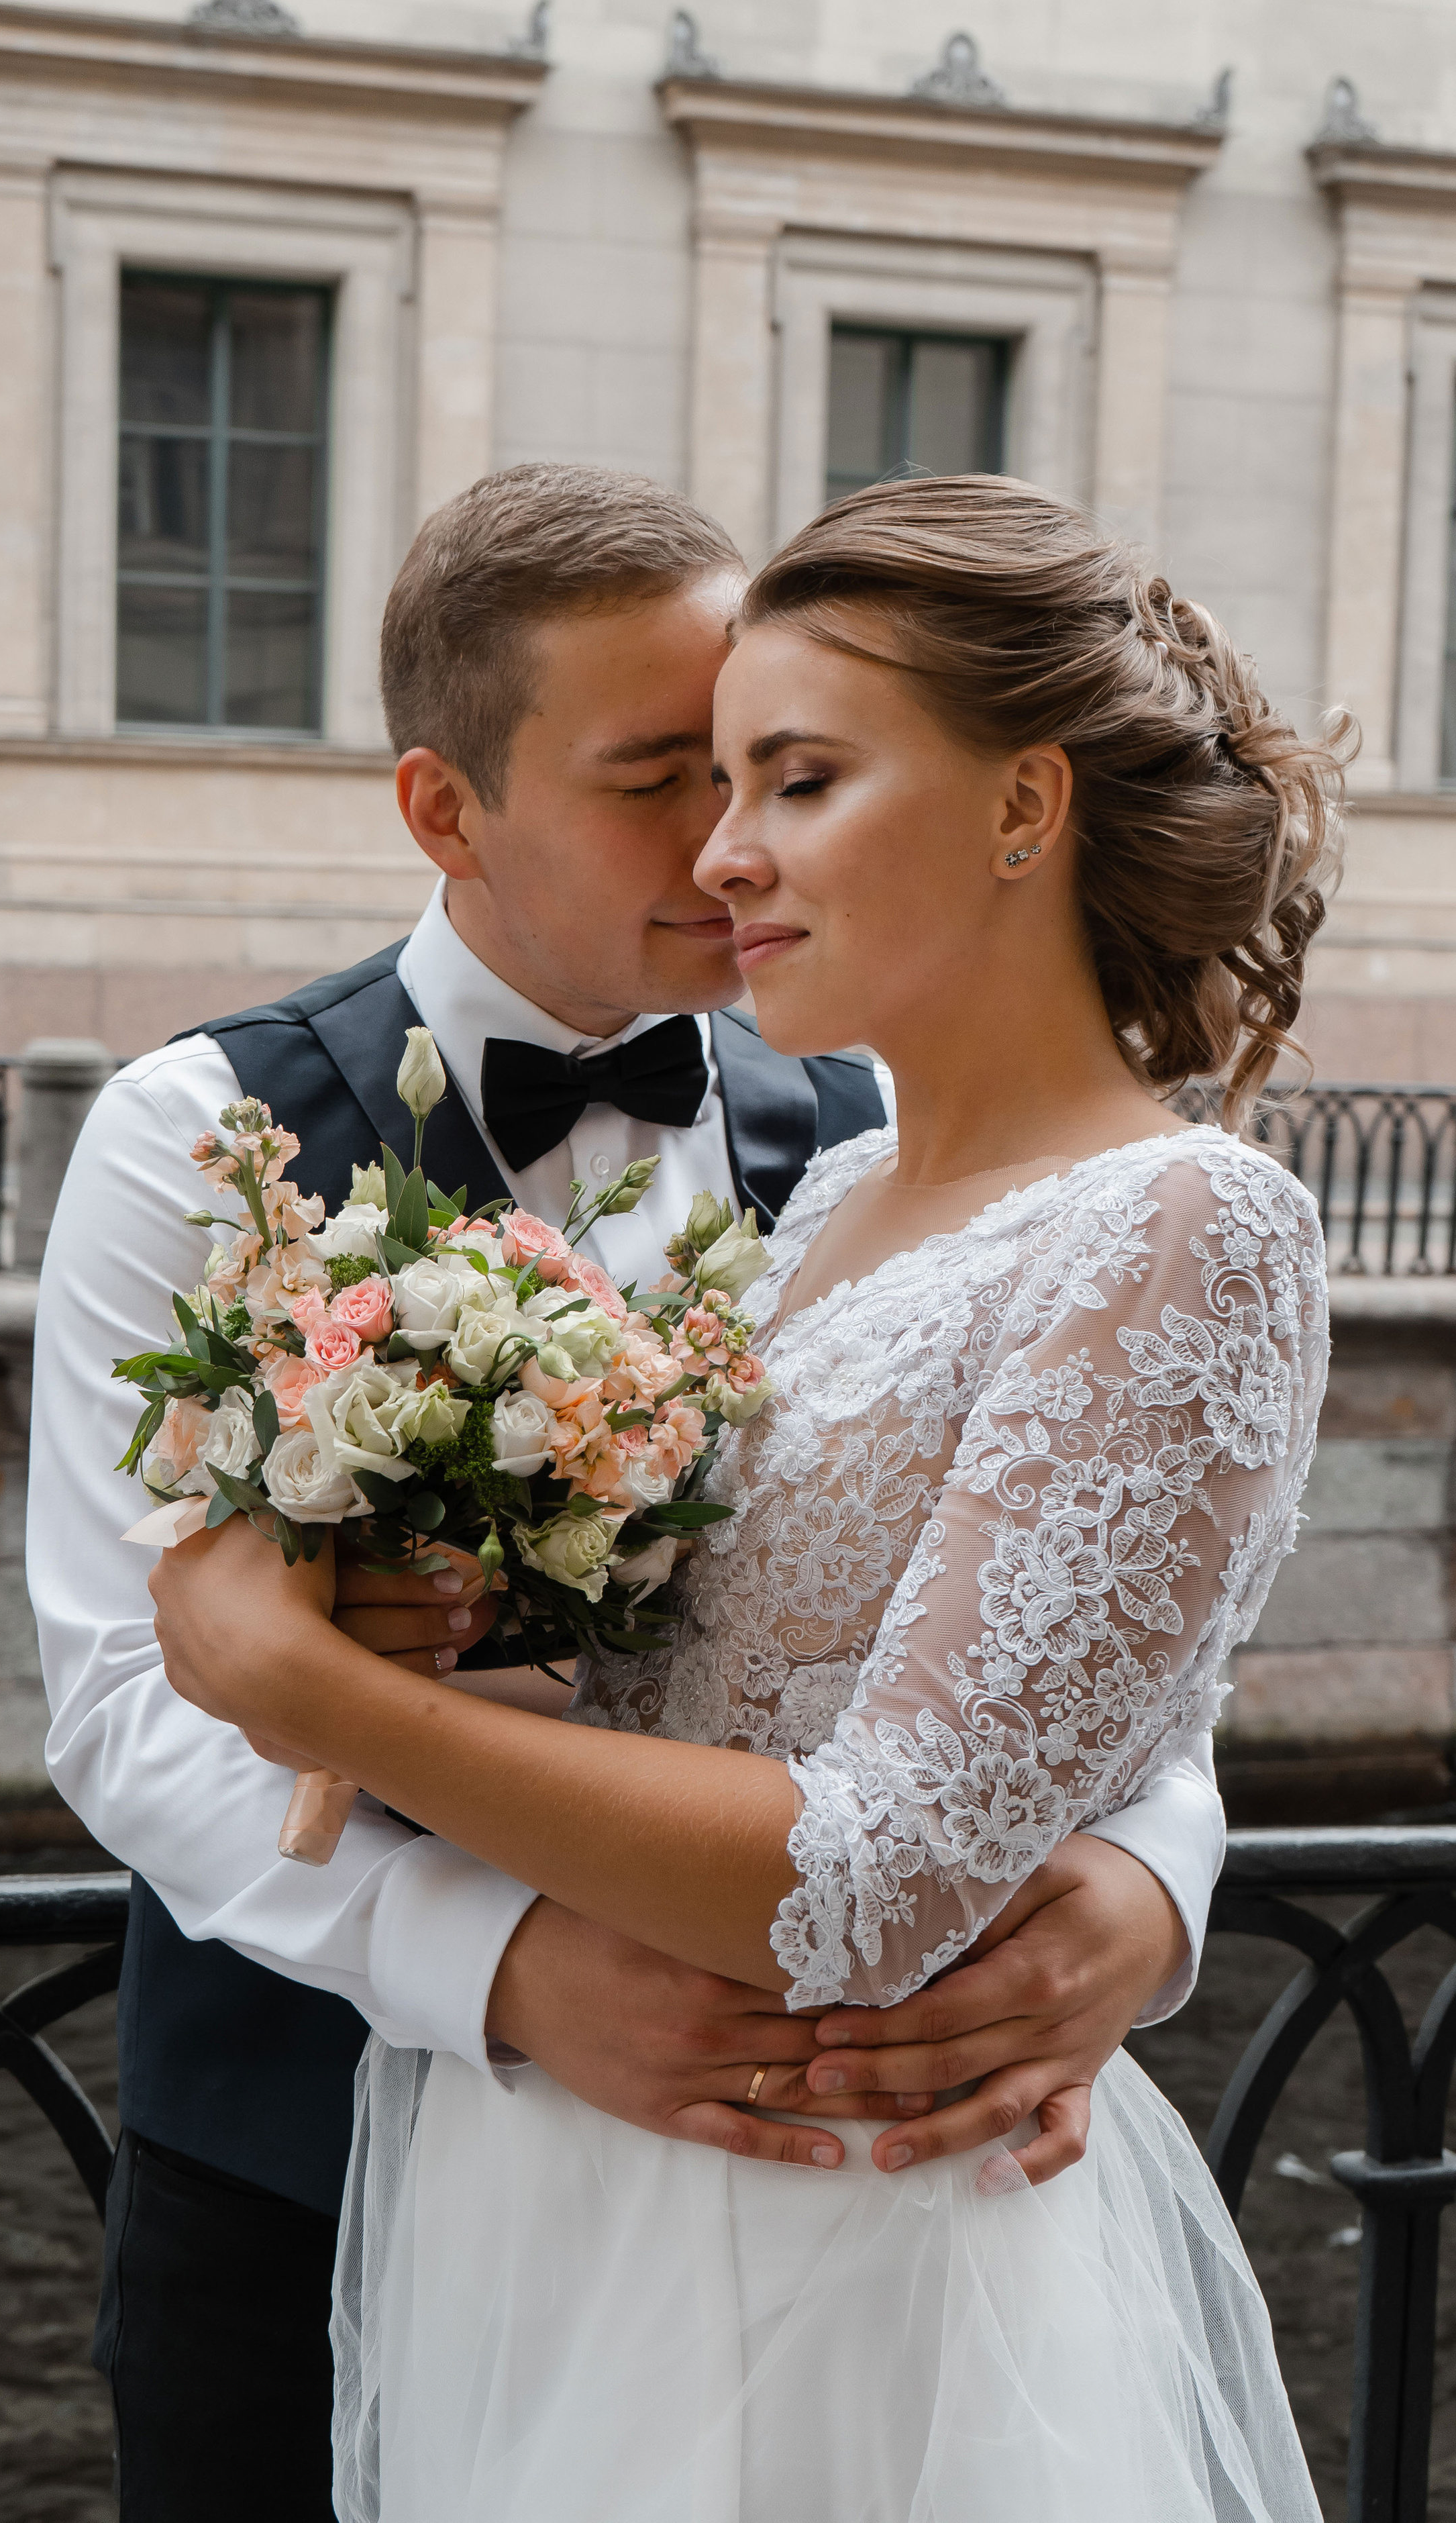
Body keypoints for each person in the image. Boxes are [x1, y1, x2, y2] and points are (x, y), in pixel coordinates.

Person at [150, 473, 1342, 2522]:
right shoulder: (841, 1209)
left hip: (854, 2247)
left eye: (794, 780)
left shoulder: (1188, 1220)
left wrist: (324, 1697)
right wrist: (367, 1650)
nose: (723, 857)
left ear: (1023, 809)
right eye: (708, 782)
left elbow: (880, 1879)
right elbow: (706, 1703)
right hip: (572, 2202)